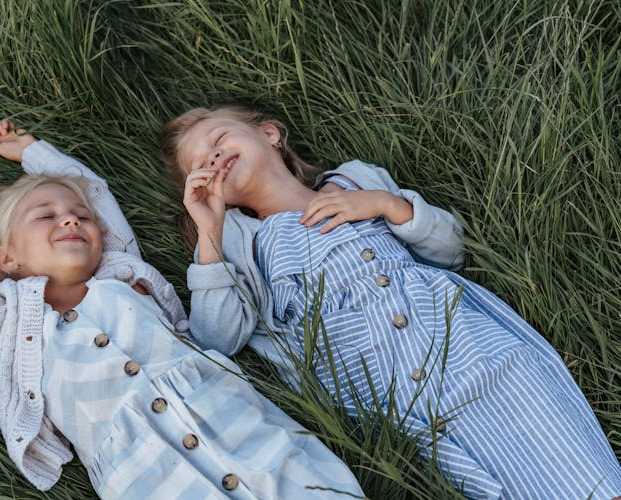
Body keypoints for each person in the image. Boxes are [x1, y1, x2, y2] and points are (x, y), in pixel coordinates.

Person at [0, 120, 364, 499]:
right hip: (145, 473)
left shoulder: (122, 270)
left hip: (236, 422)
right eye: (46, 216)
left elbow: (97, 192)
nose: (70, 217)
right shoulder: (3, 322)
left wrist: (33, 153)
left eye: (79, 216)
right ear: (8, 259)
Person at [161, 104, 621, 499]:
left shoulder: (355, 180)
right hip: (380, 393)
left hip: (461, 342)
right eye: (199, 163)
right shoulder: (241, 244)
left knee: (564, 453)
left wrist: (386, 204)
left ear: (270, 134)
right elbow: (216, 337)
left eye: (219, 139)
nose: (213, 156)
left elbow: (452, 250)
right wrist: (209, 230)